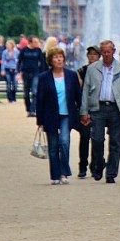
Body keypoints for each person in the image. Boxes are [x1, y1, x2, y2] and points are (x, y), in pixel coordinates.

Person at [81, 39, 120, 183]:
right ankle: (98, 164)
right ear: (101, 53)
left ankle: (111, 173)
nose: (106, 54)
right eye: (104, 52)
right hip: (97, 107)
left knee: (115, 142)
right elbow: (86, 90)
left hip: (115, 108)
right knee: (97, 139)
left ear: (114, 51)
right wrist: (84, 111)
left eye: (109, 51)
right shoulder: (92, 69)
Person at [35, 46, 82, 185]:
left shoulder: (71, 75)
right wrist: (40, 120)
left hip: (67, 114)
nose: (59, 59)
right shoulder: (44, 78)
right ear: (51, 60)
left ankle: (64, 172)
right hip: (50, 114)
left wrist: (82, 113)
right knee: (53, 146)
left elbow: (78, 96)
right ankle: (55, 175)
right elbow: (40, 99)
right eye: (56, 57)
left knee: (64, 142)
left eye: (61, 56)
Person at [75, 45, 101, 176]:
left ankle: (95, 165)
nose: (92, 56)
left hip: (98, 108)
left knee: (97, 138)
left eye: (94, 54)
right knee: (85, 137)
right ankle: (83, 166)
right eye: (90, 54)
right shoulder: (81, 71)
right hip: (85, 107)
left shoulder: (103, 71)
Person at [18, 36, 46, 116]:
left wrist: (43, 73)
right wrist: (19, 72)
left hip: (35, 73)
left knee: (35, 91)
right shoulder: (24, 50)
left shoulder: (38, 51)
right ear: (30, 42)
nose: (37, 43)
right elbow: (19, 61)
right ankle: (28, 108)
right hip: (26, 73)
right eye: (35, 42)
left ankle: (33, 110)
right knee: (26, 93)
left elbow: (42, 63)